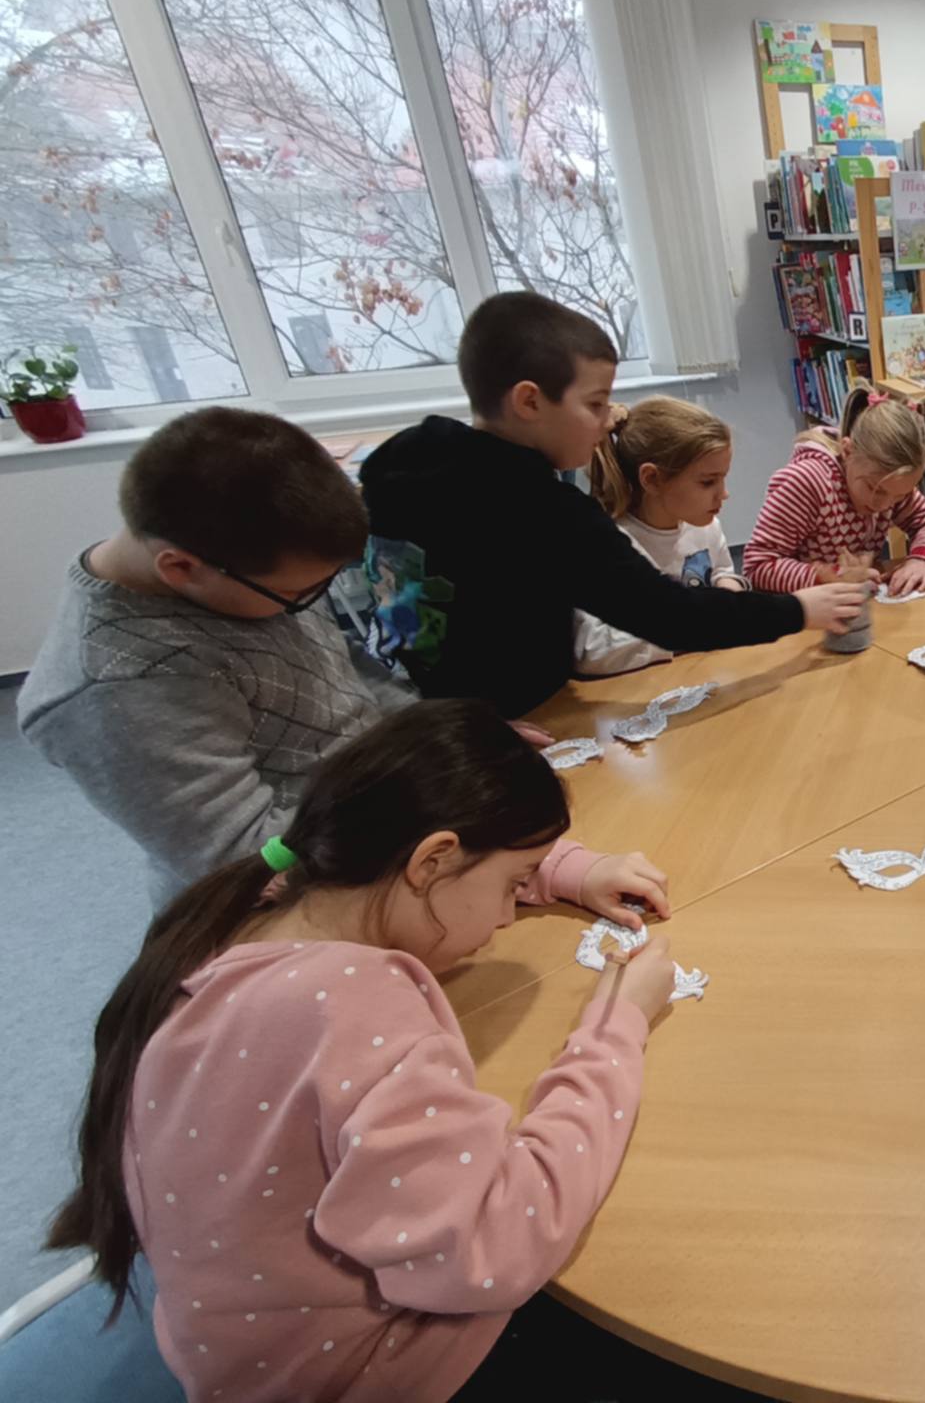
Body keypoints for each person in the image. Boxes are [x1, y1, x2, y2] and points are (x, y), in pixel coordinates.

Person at [48, 700, 685, 1403]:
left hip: (236, 1357)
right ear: (432, 860)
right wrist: (615, 1027)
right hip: (365, 1375)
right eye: (512, 886)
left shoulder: (239, 913)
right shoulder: (358, 1001)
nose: (508, 917)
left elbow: (445, 873)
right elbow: (498, 1243)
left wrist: (561, 871)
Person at [354, 292, 862, 716]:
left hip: (407, 704)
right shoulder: (545, 512)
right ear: (529, 402)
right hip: (506, 722)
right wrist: (797, 610)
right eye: (594, 404)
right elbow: (670, 615)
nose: (605, 420)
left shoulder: (402, 460)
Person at [18, 408, 411, 901]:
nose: (311, 602)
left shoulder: (242, 572)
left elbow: (338, 663)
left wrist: (434, 729)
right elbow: (244, 862)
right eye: (299, 594)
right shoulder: (113, 688)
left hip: (380, 803)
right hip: (292, 897)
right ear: (181, 568)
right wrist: (413, 784)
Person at [574, 397, 746, 677]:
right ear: (652, 479)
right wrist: (695, 628)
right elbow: (592, 651)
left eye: (723, 478)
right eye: (708, 482)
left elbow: (722, 571)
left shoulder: (706, 527)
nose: (724, 494)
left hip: (705, 672)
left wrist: (729, 586)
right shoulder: (609, 543)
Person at [743, 381, 925, 595]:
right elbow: (757, 566)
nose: (885, 504)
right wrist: (827, 576)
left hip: (851, 603)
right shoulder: (807, 482)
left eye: (900, 496)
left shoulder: (892, 484)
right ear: (848, 452)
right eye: (874, 489)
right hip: (799, 607)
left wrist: (920, 560)